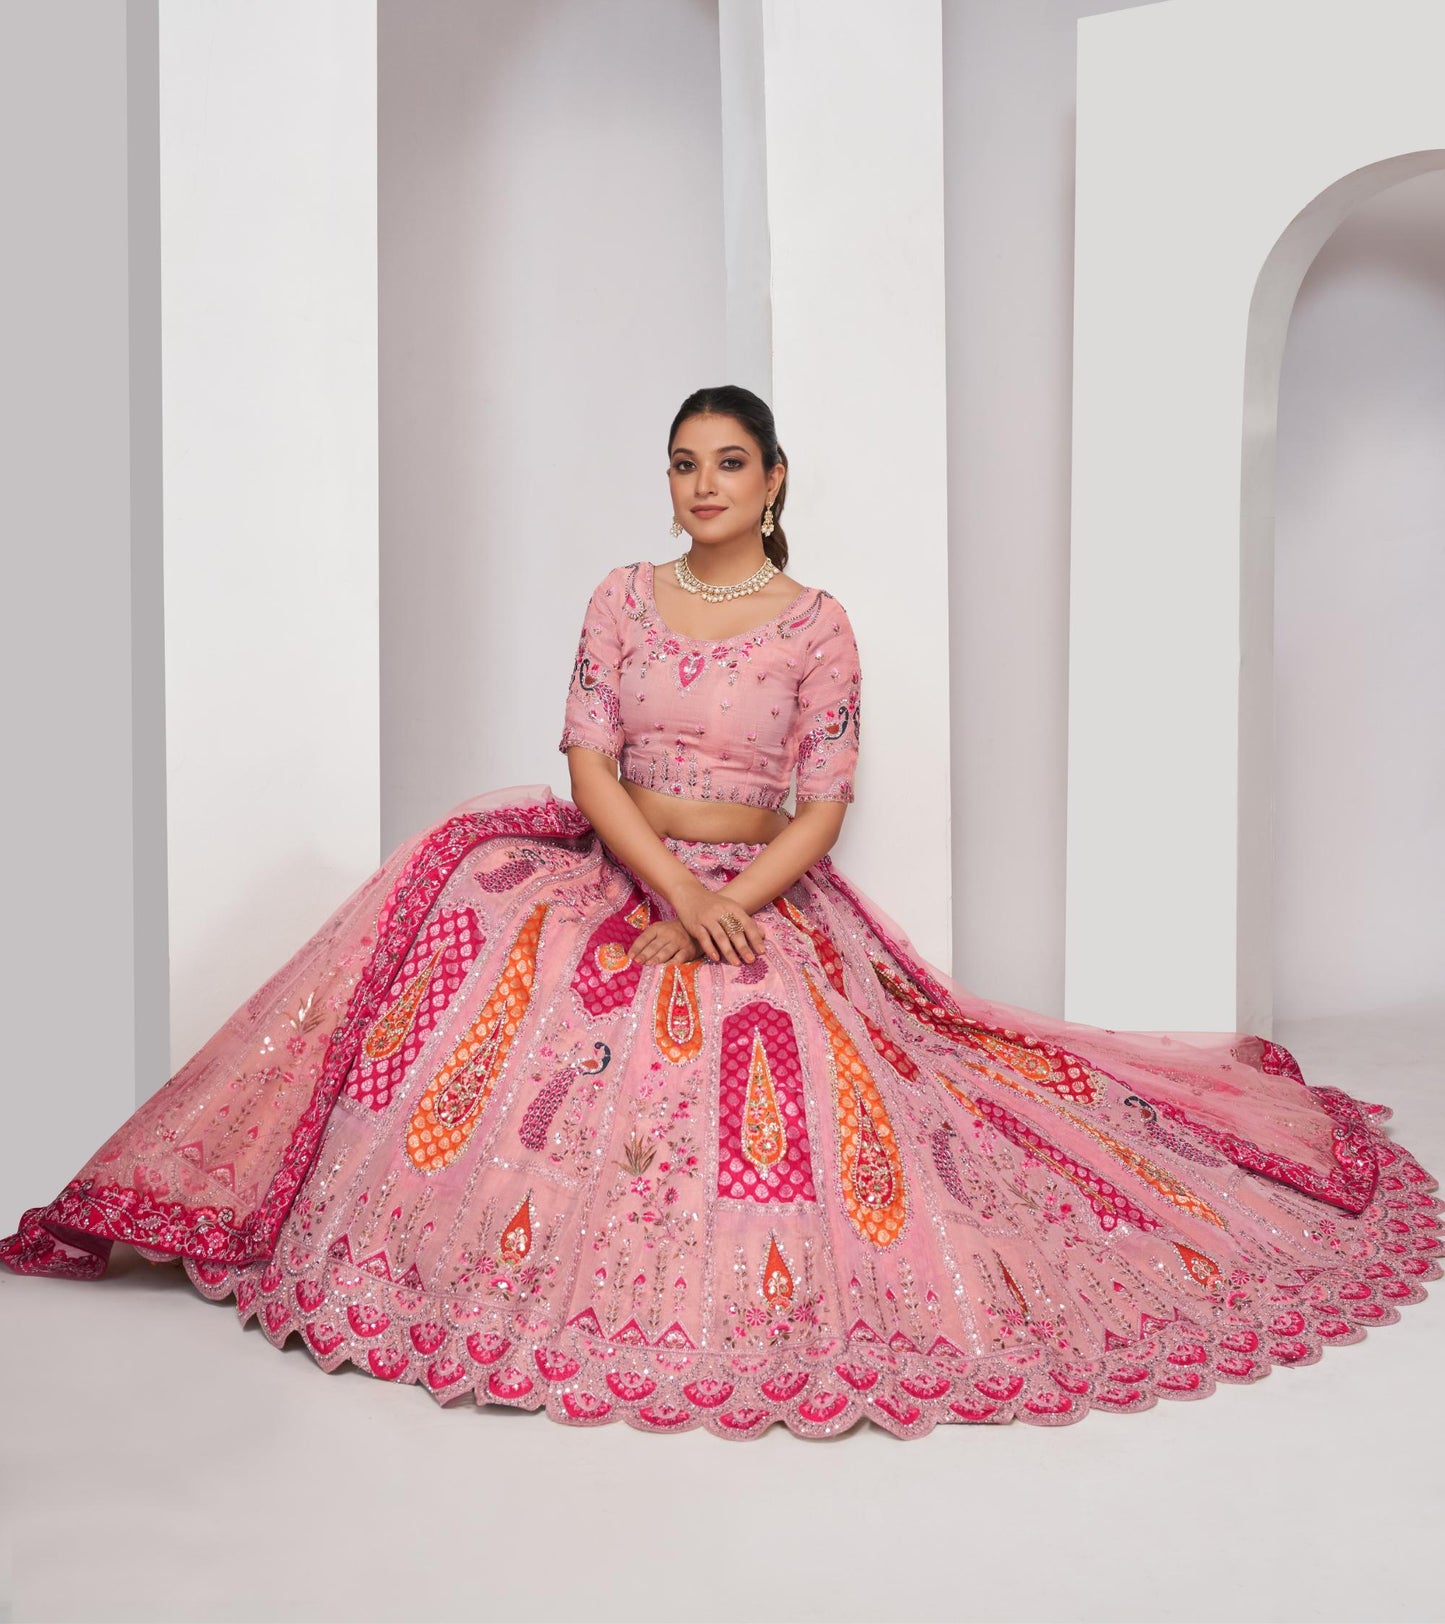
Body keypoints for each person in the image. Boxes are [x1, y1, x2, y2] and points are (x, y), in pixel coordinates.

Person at [2, 386, 1439, 1438]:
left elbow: (821, 803)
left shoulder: (816, 624)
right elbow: (583, 759)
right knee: (474, 962)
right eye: (683, 463)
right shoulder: (620, 598)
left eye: (727, 462)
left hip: (764, 895)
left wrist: (727, 902)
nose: (701, 484)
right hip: (614, 863)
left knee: (799, 1060)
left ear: (771, 479)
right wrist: (663, 886)